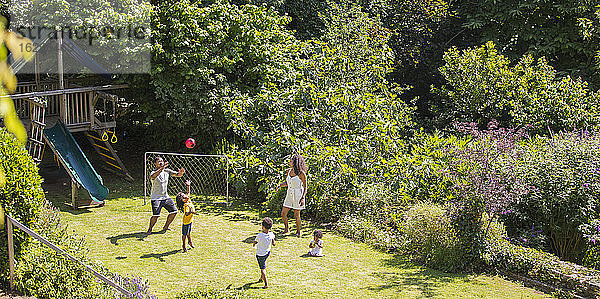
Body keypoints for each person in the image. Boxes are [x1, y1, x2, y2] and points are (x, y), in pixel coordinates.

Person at [146, 156, 185, 235]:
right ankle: (150, 229)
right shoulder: (153, 172)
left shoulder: (167, 171)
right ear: (155, 164)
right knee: (156, 215)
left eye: (162, 161)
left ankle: (166, 226)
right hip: (156, 198)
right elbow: (153, 176)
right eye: (159, 161)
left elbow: (178, 175)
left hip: (165, 197)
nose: (161, 162)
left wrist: (181, 172)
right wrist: (162, 168)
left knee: (174, 212)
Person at [275, 154, 308, 236]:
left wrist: (303, 198)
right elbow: (287, 183)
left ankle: (298, 232)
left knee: (296, 215)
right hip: (289, 194)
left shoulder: (301, 173)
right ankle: (286, 229)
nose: (289, 162)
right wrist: (280, 185)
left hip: (298, 194)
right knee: (283, 213)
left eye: (290, 161)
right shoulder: (288, 171)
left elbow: (305, 186)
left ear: (295, 162)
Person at [253, 217, 275, 289]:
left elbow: (255, 241)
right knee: (262, 264)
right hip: (267, 253)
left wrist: (254, 244)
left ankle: (266, 284)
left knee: (263, 268)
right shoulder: (271, 234)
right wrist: (273, 243)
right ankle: (261, 278)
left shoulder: (260, 235)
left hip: (260, 255)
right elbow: (273, 241)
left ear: (262, 227)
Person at [176, 180, 195, 252]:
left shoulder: (188, 200)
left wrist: (188, 186)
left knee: (189, 232)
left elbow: (188, 193)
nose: (186, 197)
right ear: (182, 200)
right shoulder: (186, 205)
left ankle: (190, 242)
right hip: (186, 222)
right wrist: (191, 211)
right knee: (184, 234)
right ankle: (184, 245)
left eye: (185, 196)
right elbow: (186, 213)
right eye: (184, 197)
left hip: (190, 221)